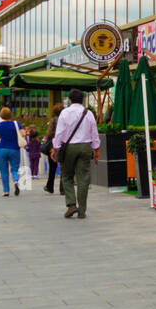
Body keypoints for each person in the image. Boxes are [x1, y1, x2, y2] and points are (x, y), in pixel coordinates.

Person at [52, 89, 100, 218]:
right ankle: (82, 210)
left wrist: (55, 148)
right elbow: (94, 132)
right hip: (85, 147)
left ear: (70, 100)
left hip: (69, 148)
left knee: (67, 176)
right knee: (83, 179)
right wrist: (96, 149)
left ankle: (71, 205)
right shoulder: (88, 113)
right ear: (82, 100)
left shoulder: (65, 113)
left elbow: (60, 132)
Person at [0, 107, 24, 197]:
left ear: (1, 115)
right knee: (15, 168)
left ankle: (6, 191)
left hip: (2, 149)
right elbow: (23, 133)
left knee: (4, 171)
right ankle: (15, 181)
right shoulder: (16, 123)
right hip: (14, 149)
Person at [43, 105, 63, 194]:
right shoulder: (66, 120)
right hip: (63, 145)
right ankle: (63, 189)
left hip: (53, 145)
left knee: (52, 167)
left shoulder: (53, 120)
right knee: (64, 167)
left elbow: (49, 133)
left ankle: (50, 186)